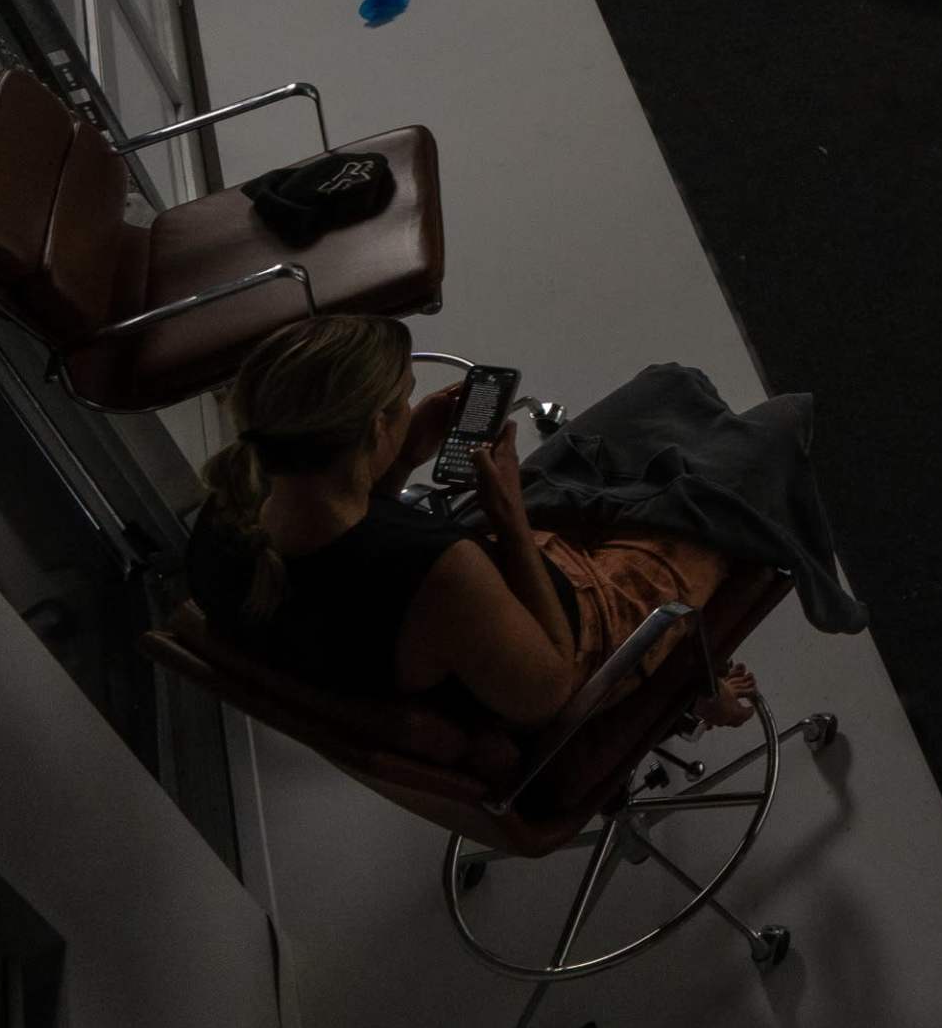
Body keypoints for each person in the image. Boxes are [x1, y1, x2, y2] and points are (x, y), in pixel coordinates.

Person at [185, 316, 864, 738]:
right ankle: (693, 685)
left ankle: (695, 656)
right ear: (370, 431)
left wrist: (404, 460)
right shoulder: (437, 571)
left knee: (668, 387)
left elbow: (345, 565)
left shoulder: (226, 518)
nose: (408, 406)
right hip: (589, 620)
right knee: (774, 429)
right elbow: (550, 689)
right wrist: (508, 515)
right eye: (399, 405)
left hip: (488, 594)